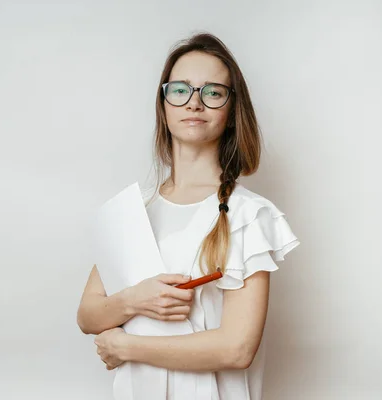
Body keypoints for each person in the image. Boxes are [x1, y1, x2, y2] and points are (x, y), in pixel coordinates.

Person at [77, 32, 300, 400]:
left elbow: (237, 349)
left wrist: (127, 347)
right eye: (180, 90)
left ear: (230, 113)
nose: (194, 103)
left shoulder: (249, 215)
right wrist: (136, 299)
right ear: (163, 106)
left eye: (212, 92)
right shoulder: (135, 212)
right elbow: (88, 315)